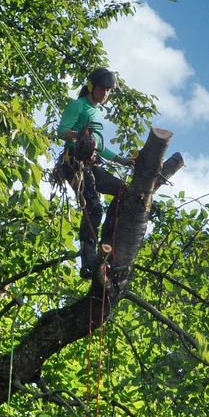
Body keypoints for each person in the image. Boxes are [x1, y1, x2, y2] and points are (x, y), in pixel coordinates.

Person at [56, 67, 134, 279]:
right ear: (91, 86)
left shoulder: (97, 112)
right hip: (74, 163)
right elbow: (62, 131)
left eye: (109, 90)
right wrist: (79, 135)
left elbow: (98, 145)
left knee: (122, 192)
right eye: (102, 89)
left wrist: (119, 159)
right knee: (94, 207)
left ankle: (107, 246)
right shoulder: (78, 105)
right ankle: (88, 261)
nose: (105, 94)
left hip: (91, 165)